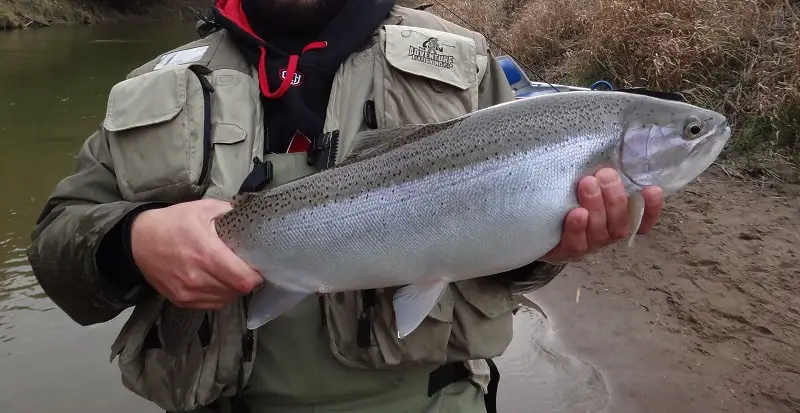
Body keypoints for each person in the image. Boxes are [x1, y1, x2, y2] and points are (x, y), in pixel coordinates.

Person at [26, 0, 665, 412]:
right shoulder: (151, 85)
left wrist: (550, 250)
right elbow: (55, 244)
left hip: (429, 401)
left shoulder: (468, 64)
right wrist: (132, 241)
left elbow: (509, 258)